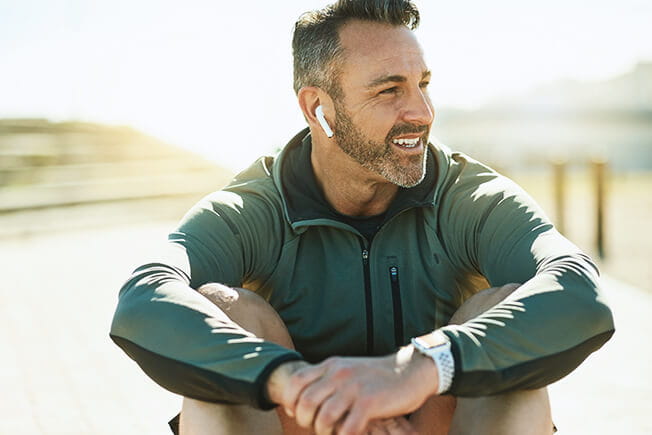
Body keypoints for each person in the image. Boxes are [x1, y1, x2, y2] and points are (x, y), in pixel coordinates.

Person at [110, 1, 615, 434]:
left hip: (433, 423)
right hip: (304, 422)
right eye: (389, 90)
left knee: (502, 304)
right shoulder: (255, 206)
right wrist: (297, 384)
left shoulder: (467, 196)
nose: (421, 111)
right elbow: (144, 297)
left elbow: (579, 291)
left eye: (422, 84)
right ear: (319, 109)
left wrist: (419, 369)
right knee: (225, 307)